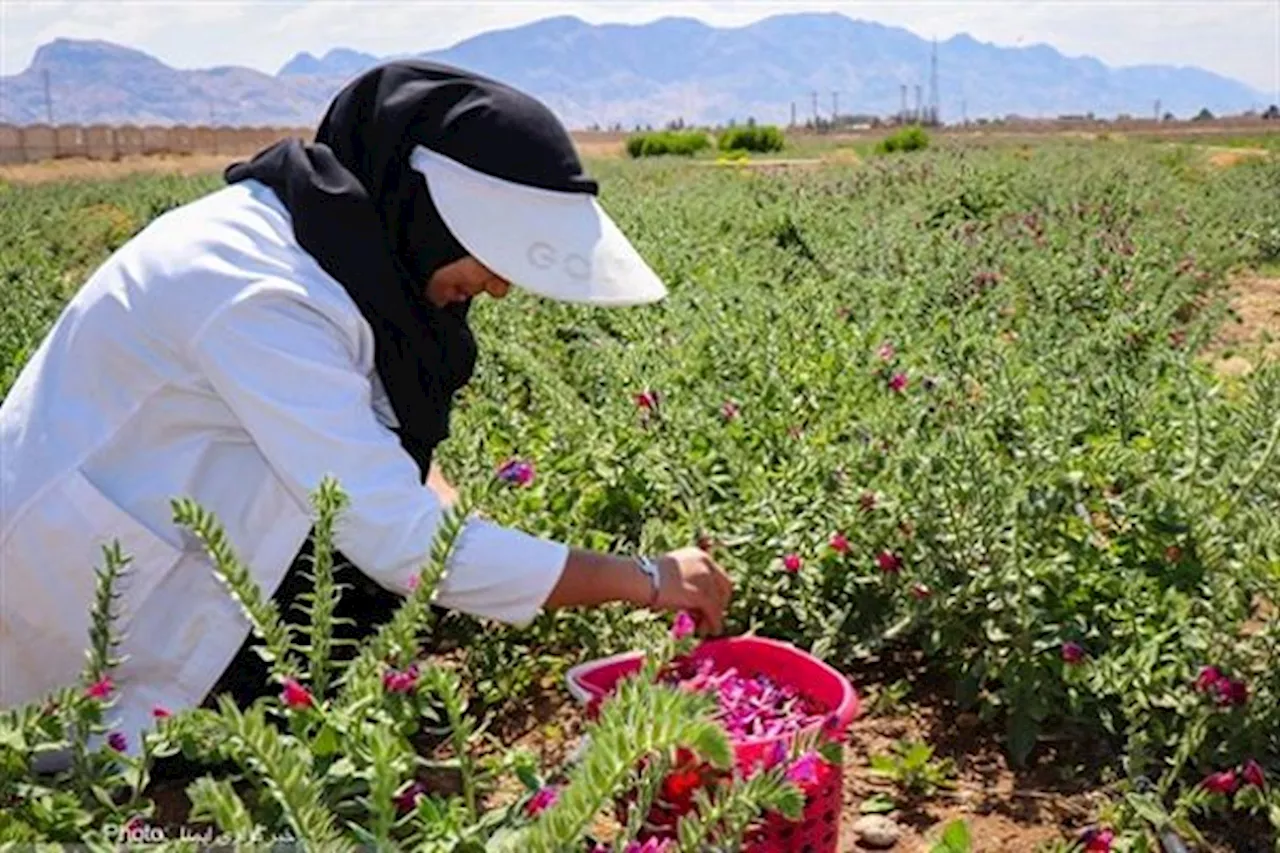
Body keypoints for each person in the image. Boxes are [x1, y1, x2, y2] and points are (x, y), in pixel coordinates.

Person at [0, 60, 733, 758]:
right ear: (431, 213)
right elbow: (403, 544)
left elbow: (378, 436)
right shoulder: (255, 288)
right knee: (143, 751)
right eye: (496, 255)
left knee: (363, 592)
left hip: (177, 532)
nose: (501, 287)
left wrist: (452, 521)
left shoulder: (338, 240)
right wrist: (646, 575)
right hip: (76, 607)